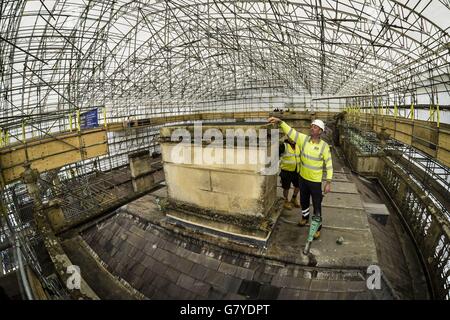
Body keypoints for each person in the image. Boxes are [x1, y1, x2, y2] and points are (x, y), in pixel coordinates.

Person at [269, 116, 333, 239]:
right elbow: (291, 132)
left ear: (320, 131)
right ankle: (304, 218)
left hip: (315, 182)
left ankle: (317, 228)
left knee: (317, 205)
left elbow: (329, 165)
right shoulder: (304, 140)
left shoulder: (324, 147)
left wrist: (328, 182)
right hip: (303, 179)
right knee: (304, 202)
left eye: (315, 127)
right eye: (312, 126)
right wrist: (281, 122)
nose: (312, 128)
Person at [279, 137, 301, 210]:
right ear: (288, 138)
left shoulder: (298, 146)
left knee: (298, 186)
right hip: (286, 171)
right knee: (286, 187)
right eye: (291, 138)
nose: (292, 139)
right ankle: (286, 201)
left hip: (296, 171)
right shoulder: (283, 146)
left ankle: (294, 198)